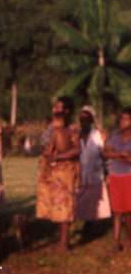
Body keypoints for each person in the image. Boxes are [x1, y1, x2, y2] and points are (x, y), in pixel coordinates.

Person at [36, 97, 80, 251]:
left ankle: (64, 242)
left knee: (64, 206)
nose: (55, 109)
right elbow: (44, 148)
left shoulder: (72, 129)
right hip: (51, 171)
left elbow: (76, 149)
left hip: (65, 171)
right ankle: (61, 240)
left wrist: (59, 157)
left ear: (67, 111)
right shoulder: (50, 128)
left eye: (59, 107)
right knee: (54, 205)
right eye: (54, 106)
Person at [75, 106, 111, 233]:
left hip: (95, 172)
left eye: (86, 119)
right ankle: (87, 222)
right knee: (81, 199)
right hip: (80, 173)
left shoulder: (98, 135)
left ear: (91, 121)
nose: (83, 122)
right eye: (81, 119)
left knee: (94, 200)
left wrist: (107, 171)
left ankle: (90, 224)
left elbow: (105, 154)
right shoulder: (76, 136)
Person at [104, 108, 131, 251]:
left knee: (128, 211)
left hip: (129, 176)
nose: (122, 121)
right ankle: (116, 241)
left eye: (126, 118)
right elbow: (106, 151)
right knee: (117, 211)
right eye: (121, 118)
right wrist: (120, 155)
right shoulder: (114, 135)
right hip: (115, 176)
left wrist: (124, 157)